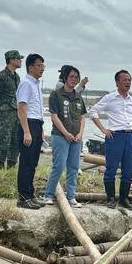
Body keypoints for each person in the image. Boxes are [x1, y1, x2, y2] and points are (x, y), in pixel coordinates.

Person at [89, 70, 132, 209]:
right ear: (117, 82)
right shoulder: (110, 98)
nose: (127, 82)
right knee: (111, 168)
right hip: (115, 136)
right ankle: (110, 198)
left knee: (128, 169)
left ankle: (124, 199)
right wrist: (103, 129)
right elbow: (93, 111)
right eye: (124, 80)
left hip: (130, 137)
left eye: (129, 80)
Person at [42, 66, 87, 208]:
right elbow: (54, 117)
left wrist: (80, 134)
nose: (74, 79)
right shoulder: (56, 94)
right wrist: (66, 133)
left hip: (76, 138)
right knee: (59, 166)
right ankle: (48, 195)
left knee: (73, 167)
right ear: (65, 78)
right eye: (71, 76)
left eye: (76, 77)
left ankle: (71, 196)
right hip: (60, 137)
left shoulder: (78, 96)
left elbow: (82, 117)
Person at [15, 53, 46, 209]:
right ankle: (23, 197)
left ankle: (30, 194)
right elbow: (22, 107)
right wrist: (27, 131)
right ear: (31, 67)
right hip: (28, 124)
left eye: (43, 66)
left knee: (33, 163)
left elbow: (37, 109)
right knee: (26, 163)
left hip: (36, 124)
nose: (42, 68)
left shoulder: (36, 84)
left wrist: (40, 129)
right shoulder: (26, 84)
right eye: (40, 65)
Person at [0, 50, 23, 169]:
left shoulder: (17, 77)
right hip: (4, 113)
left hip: (16, 113)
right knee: (3, 140)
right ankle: (0, 166)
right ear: (12, 60)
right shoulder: (1, 76)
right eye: (18, 59)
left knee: (15, 141)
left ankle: (11, 166)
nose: (20, 61)